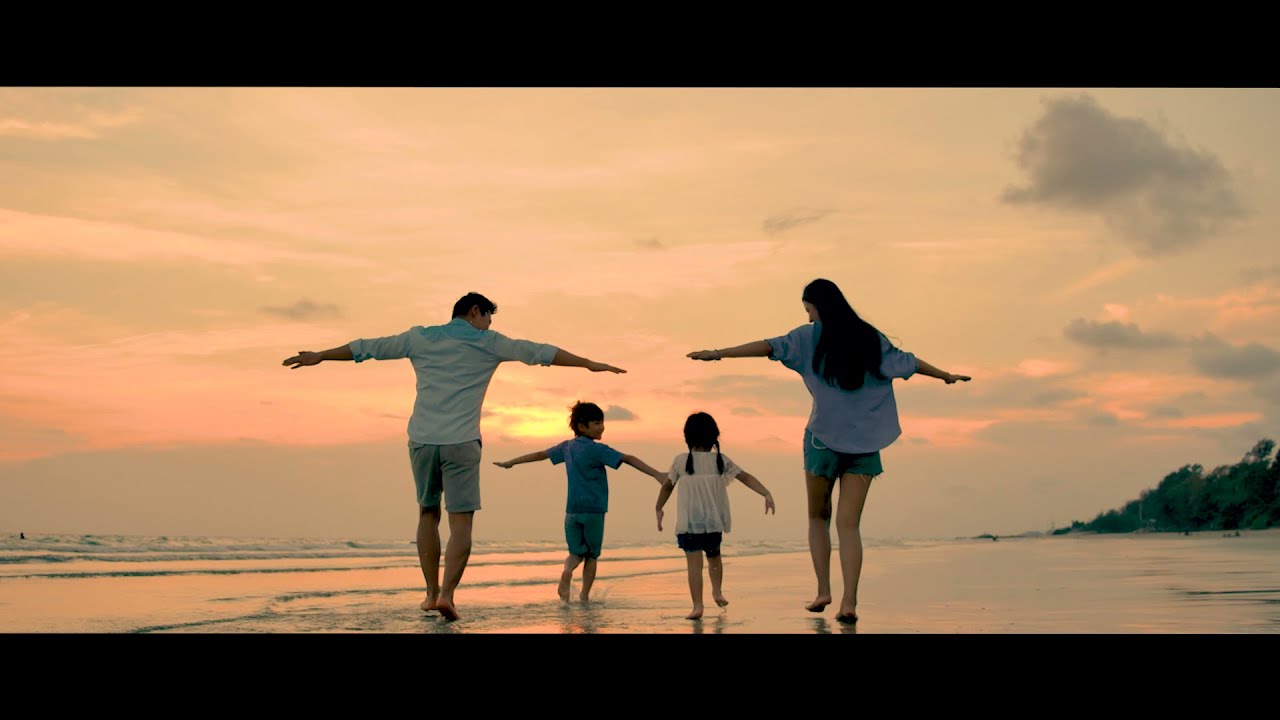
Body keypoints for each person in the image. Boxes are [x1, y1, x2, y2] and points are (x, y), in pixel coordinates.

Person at [282, 292, 625, 620]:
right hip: (461, 441)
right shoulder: (489, 342)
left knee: (427, 513)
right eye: (488, 317)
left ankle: (431, 594)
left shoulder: (419, 337)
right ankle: (447, 594)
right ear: (475, 311)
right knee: (461, 521)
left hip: (422, 439)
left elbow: (366, 348)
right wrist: (587, 364)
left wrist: (321, 356)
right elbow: (539, 352)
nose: (489, 325)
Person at [687, 278, 970, 624]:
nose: (807, 318)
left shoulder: (809, 337)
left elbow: (766, 346)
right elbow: (909, 362)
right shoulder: (870, 338)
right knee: (849, 526)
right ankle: (848, 603)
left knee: (817, 518)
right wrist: (945, 376)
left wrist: (718, 353)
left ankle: (823, 590)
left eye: (808, 310)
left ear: (817, 305)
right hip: (866, 445)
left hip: (822, 441)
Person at [493, 401, 666, 602]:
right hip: (594, 511)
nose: (602, 427)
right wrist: (656, 474)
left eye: (602, 422)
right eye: (596, 423)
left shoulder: (567, 448)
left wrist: (511, 462)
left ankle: (567, 572)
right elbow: (628, 458)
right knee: (591, 556)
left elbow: (540, 455)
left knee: (575, 554)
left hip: (572, 511)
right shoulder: (598, 450)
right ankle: (584, 597)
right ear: (583, 427)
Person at [655, 411, 774, 620]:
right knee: (714, 558)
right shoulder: (719, 460)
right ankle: (717, 591)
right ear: (714, 437)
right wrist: (765, 492)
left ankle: (697, 606)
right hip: (712, 522)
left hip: (690, 523)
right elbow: (745, 477)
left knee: (694, 564)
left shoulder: (681, 461)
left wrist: (658, 507)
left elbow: (667, 486)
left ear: (687, 437)